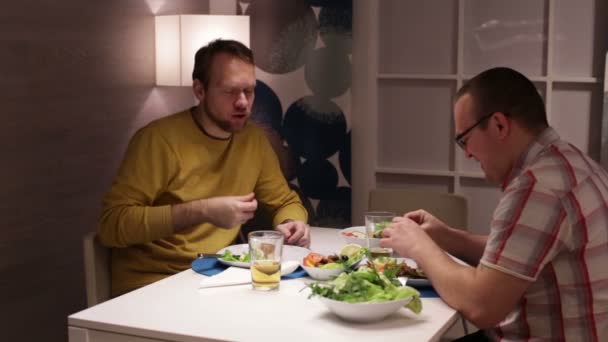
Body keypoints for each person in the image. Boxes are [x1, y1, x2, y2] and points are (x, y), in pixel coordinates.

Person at [380, 67, 608, 341]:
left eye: (465, 139)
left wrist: (419, 246)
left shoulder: (538, 187)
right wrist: (449, 238)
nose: (466, 153)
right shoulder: (572, 164)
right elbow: (518, 257)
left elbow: (481, 306)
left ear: (499, 124)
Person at [98, 39, 309, 296]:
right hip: (152, 283)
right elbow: (111, 225)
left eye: (249, 91)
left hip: (215, 277)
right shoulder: (158, 140)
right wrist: (203, 210)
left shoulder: (253, 140)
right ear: (199, 90)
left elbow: (285, 201)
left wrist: (291, 222)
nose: (243, 102)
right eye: (230, 91)